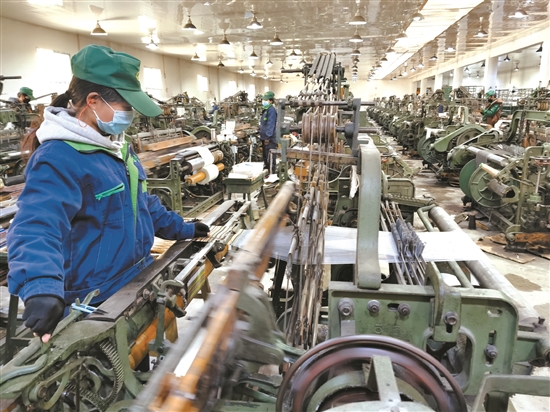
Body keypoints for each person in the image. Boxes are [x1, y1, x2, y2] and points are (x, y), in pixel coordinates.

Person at [7, 44, 210, 343]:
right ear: (93, 101)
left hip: (135, 283)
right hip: (92, 301)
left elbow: (140, 203)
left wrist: (182, 228)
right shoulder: (59, 157)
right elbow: (37, 225)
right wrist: (41, 287)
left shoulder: (116, 148)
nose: (130, 114)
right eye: (126, 106)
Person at [260, 91, 278, 183]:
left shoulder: (271, 110)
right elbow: (264, 124)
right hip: (264, 137)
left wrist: (267, 137)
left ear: (270, 101)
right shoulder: (266, 109)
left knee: (270, 157)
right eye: (264, 100)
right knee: (266, 158)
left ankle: (272, 175)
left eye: (266, 100)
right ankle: (268, 174)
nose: (264, 101)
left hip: (269, 139)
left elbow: (271, 125)